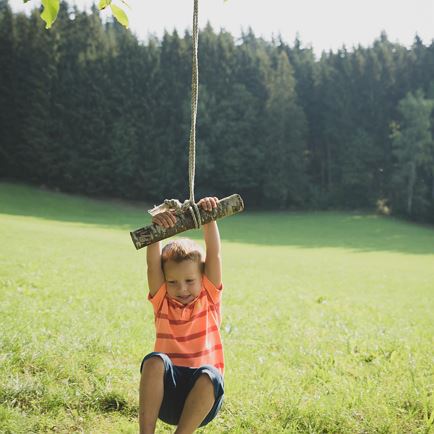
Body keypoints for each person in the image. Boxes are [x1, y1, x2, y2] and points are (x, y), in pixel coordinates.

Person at [139, 196, 225, 434]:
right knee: (154, 359)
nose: (182, 288)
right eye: (173, 282)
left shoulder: (208, 297)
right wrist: (157, 228)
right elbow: (152, 266)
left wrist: (209, 217)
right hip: (166, 396)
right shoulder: (163, 302)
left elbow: (215, 255)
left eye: (189, 281)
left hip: (202, 401)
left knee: (210, 375)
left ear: (202, 278)